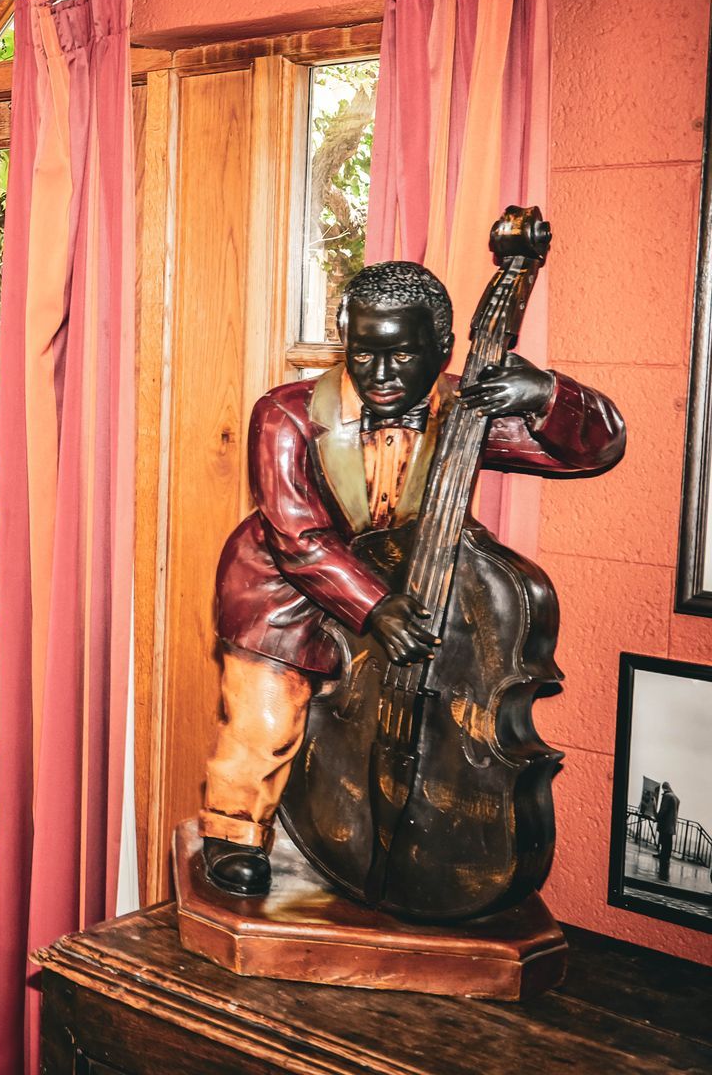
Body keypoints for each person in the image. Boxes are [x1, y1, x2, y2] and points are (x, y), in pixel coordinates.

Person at [200, 260, 627, 897]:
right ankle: (234, 830)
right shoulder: (285, 414)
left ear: (442, 348)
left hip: (401, 579)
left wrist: (545, 394)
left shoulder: (463, 409)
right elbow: (297, 537)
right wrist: (374, 607)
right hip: (284, 587)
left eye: (401, 356)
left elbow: (596, 449)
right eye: (363, 353)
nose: (380, 374)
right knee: (266, 716)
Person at [657, 781, 680, 882]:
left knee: (664, 841)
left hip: (665, 823)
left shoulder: (667, 796)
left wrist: (658, 816)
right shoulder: (675, 797)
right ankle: (666, 856)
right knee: (668, 842)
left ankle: (663, 856)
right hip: (671, 824)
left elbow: (663, 810)